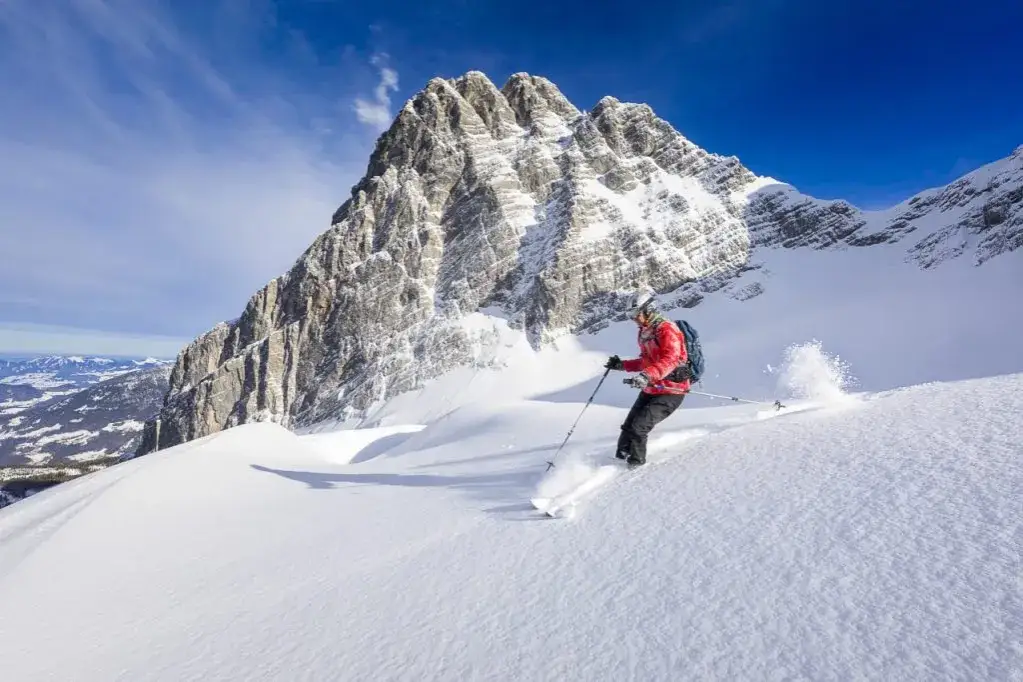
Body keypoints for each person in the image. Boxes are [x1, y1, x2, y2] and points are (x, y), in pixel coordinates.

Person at [604, 290, 691, 467]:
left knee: (639, 427)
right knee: (628, 426)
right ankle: (619, 461)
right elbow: (646, 361)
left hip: (671, 390)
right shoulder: (645, 332)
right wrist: (622, 365)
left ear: (648, 310)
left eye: (635, 314)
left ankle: (634, 468)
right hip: (652, 387)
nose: (633, 319)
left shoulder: (667, 330)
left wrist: (647, 375)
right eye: (630, 315)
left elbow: (671, 359)